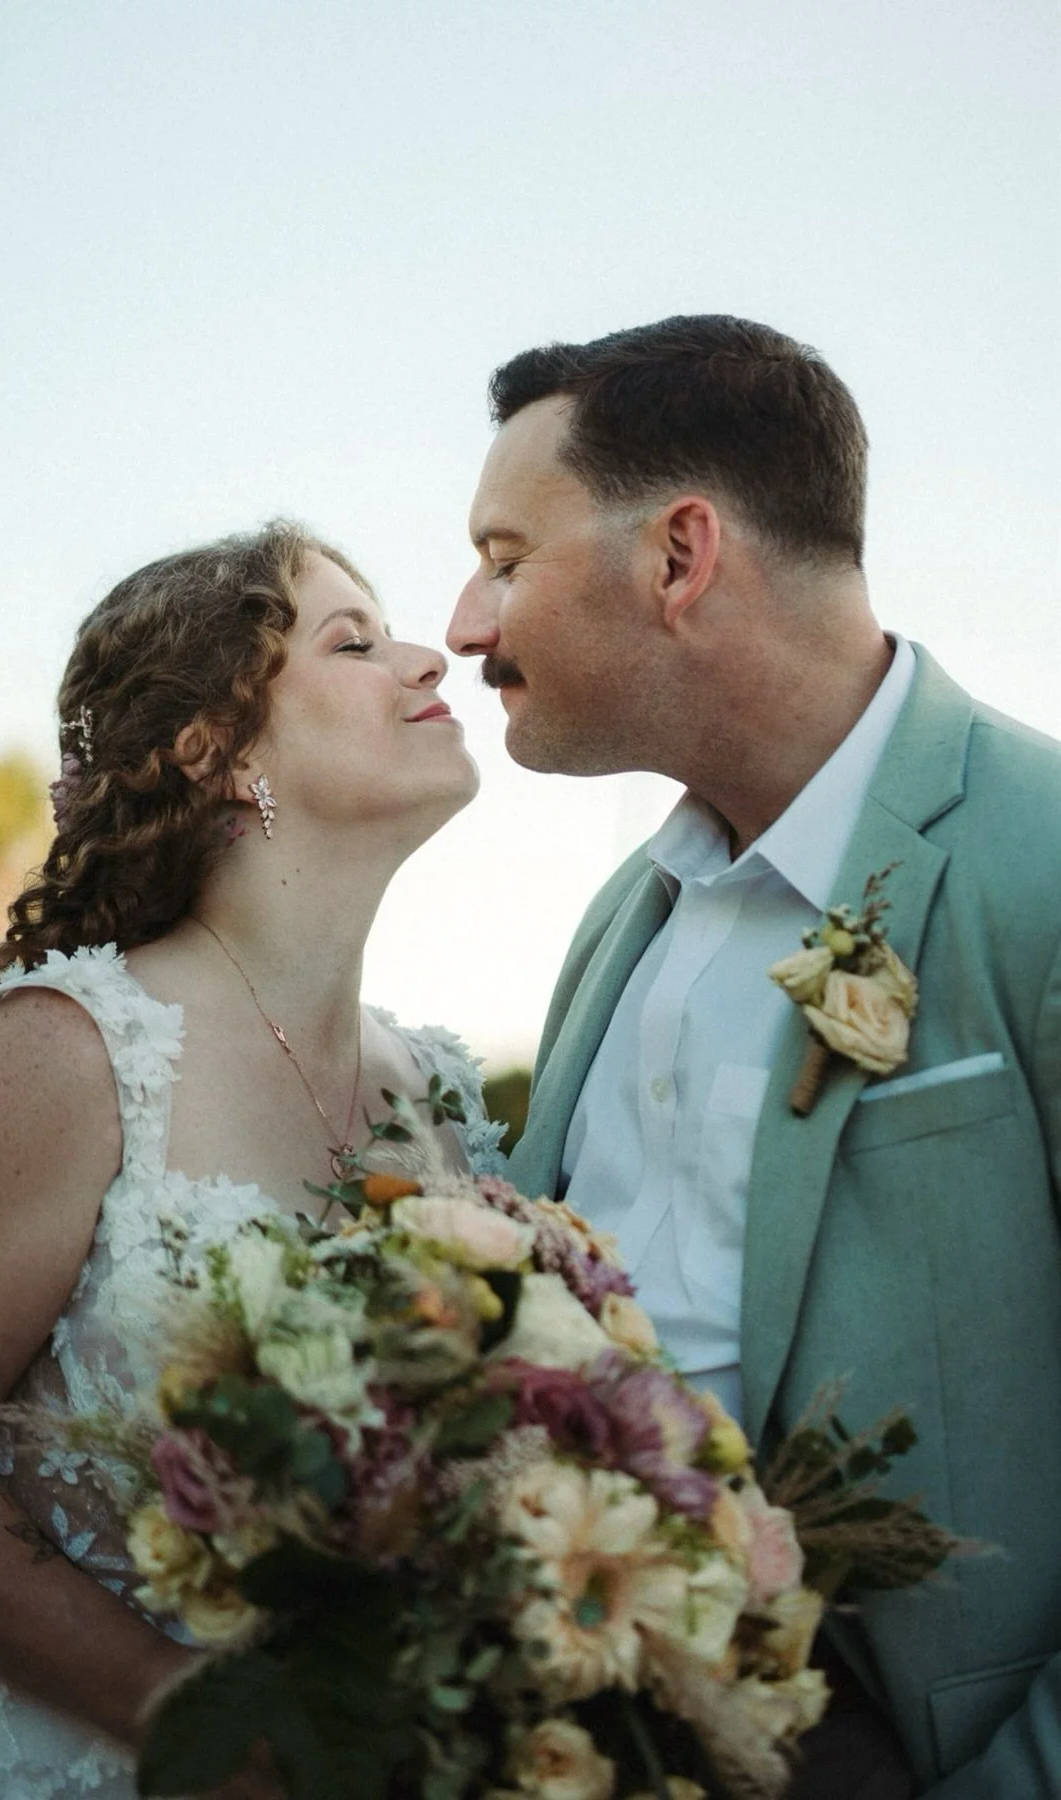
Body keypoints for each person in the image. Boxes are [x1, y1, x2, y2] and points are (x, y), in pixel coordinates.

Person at [0, 521, 501, 1800]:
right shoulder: (70, 1049)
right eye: (353, 639)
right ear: (212, 753)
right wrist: (200, 1722)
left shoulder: (438, 1091)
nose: (426, 660)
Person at [446, 316, 1061, 1799]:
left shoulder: (1041, 858)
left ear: (678, 556)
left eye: (507, 556)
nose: (466, 623)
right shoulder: (620, 917)